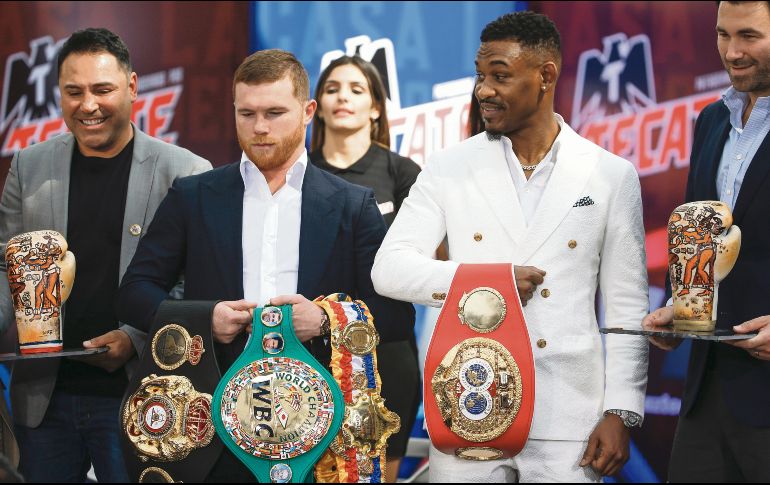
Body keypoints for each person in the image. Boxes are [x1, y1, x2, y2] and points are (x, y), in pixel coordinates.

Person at [372, 11, 649, 482]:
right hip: (468, 402)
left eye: (499, 76)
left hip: (568, 415)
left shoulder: (609, 174)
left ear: (546, 76)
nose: (483, 90)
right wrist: (488, 283)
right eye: (480, 76)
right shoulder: (449, 166)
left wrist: (621, 411)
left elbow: (627, 307)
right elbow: (389, 269)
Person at [116, 48, 415, 481]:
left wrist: (326, 319)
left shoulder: (352, 205)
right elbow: (133, 293)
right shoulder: (193, 196)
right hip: (212, 425)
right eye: (247, 113)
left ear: (308, 111)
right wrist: (204, 320)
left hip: (322, 436)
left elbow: (397, 315)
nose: (259, 127)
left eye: (275, 113)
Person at [0, 28, 211, 482]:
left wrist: (134, 336)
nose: (88, 105)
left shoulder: (186, 172)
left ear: (132, 87)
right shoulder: (29, 166)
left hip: (143, 394)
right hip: (44, 399)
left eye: (102, 90)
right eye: (73, 92)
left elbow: (193, 282)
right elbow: (6, 267)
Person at [643, 1, 770, 481]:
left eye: (749, 36)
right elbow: (696, 233)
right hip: (706, 391)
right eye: (723, 34)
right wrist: (678, 308)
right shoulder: (711, 120)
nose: (732, 52)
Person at [309, 55, 421, 481]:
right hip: (310, 348)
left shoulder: (402, 173)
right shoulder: (298, 173)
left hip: (386, 352)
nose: (343, 97)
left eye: (356, 90)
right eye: (332, 88)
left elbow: (420, 261)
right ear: (317, 105)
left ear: (375, 108)